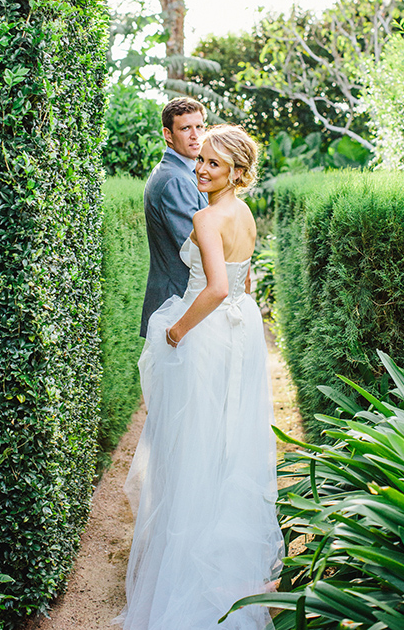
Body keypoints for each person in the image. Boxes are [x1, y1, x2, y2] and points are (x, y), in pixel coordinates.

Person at [118, 125, 283, 630]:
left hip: (205, 332)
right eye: (201, 160)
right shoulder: (244, 213)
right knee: (227, 440)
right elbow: (242, 280)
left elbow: (212, 289)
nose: (201, 169)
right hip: (239, 329)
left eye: (212, 163)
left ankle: (188, 572)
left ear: (236, 171)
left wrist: (176, 333)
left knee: (191, 445)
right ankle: (226, 560)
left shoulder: (208, 217)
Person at [140, 97, 208, 337]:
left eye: (199, 127)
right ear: (168, 134)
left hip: (183, 302)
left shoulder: (184, 173)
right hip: (178, 304)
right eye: (185, 128)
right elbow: (195, 249)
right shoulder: (176, 180)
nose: (195, 135)